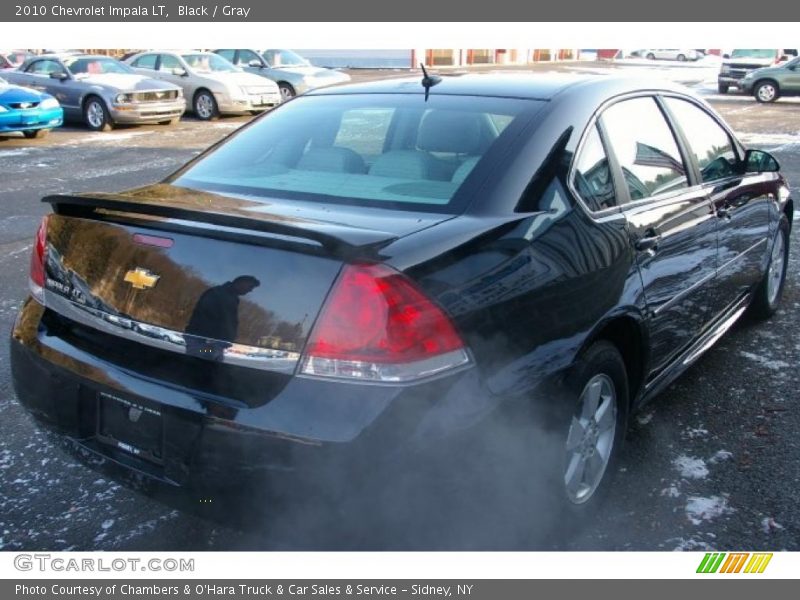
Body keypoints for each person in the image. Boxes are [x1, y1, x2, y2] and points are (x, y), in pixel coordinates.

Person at [184, 275, 260, 361]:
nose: (250, 290)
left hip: (215, 345)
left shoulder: (232, 298)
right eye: (250, 287)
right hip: (204, 343)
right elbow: (205, 317)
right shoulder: (218, 293)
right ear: (241, 282)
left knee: (212, 369)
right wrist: (212, 342)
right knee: (198, 366)